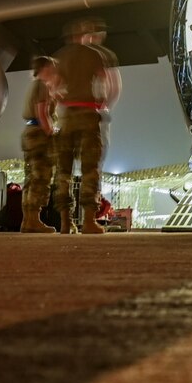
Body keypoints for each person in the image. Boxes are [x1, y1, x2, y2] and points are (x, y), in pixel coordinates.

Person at [53, 16, 120, 234]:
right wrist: (103, 105)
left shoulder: (59, 57)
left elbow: (52, 87)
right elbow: (111, 85)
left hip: (66, 115)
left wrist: (60, 106)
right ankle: (89, 220)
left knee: (64, 170)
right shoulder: (96, 55)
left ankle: (65, 220)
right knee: (91, 169)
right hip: (88, 113)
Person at [20, 56, 63, 232]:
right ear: (44, 68)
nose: (54, 71)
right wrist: (51, 133)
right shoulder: (41, 86)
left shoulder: (36, 86)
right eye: (52, 68)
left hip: (31, 133)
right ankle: (33, 220)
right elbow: (42, 113)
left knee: (31, 178)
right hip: (39, 135)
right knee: (41, 177)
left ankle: (28, 219)